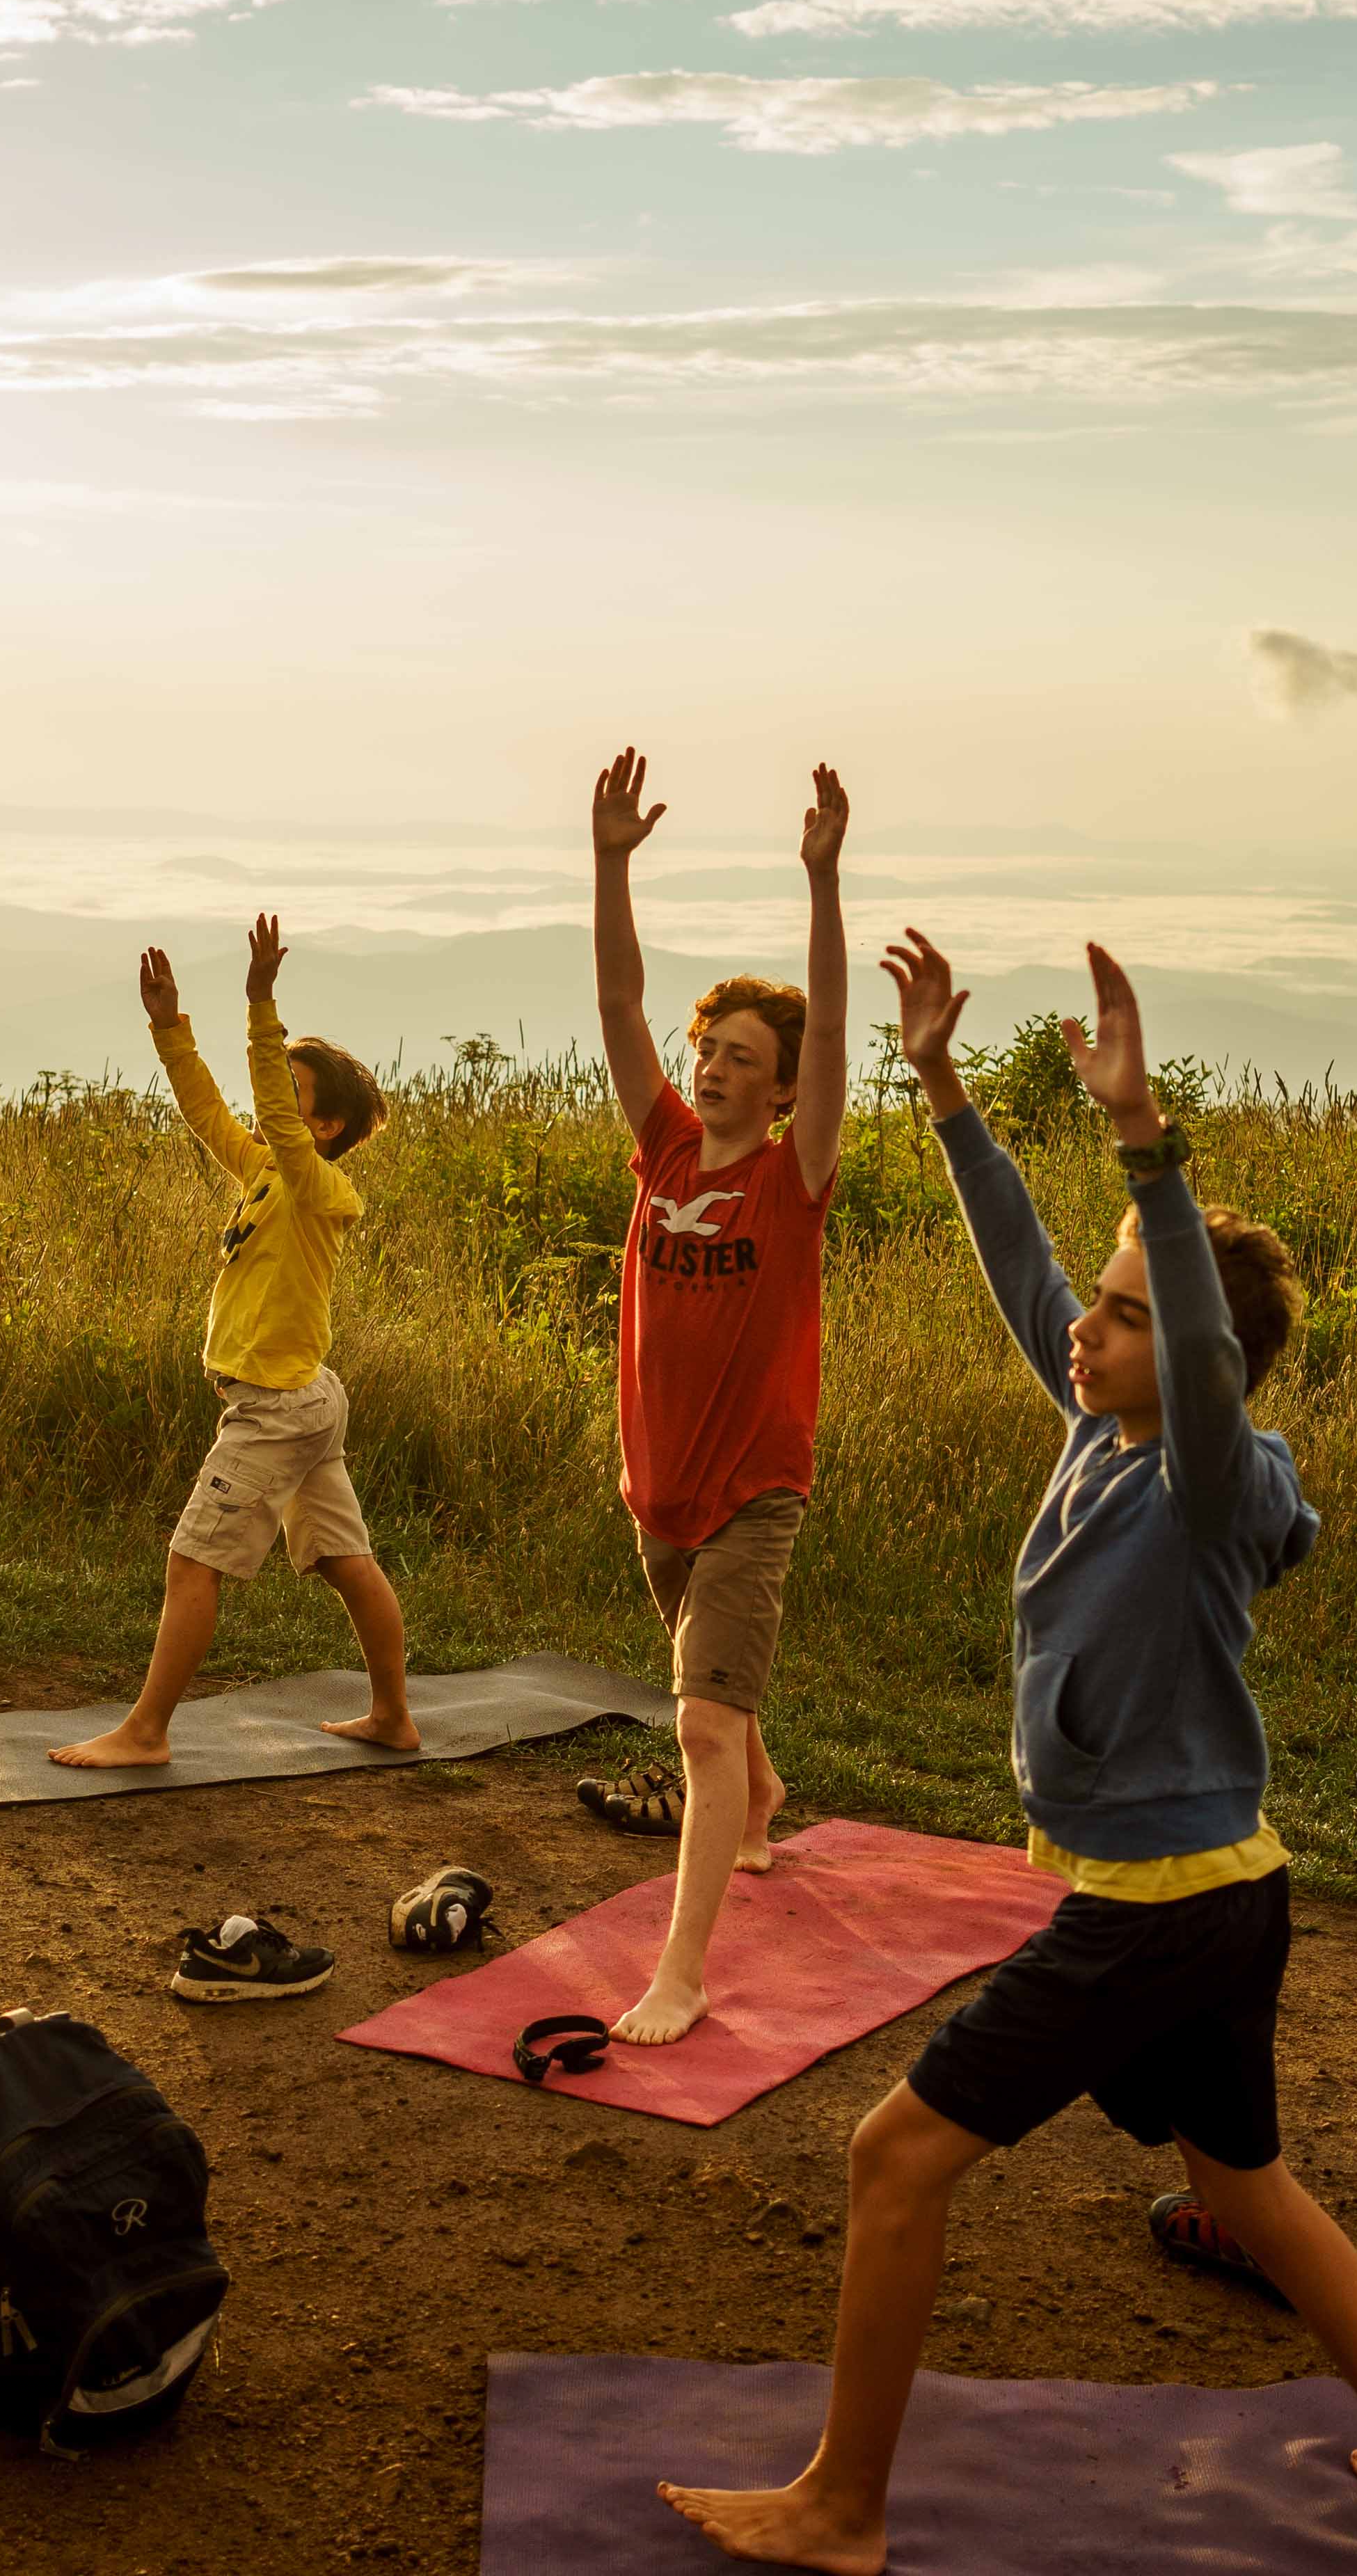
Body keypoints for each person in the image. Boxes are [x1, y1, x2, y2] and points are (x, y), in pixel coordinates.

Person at [657, 932, 1357, 2572]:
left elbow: (1184, 1335)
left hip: (1160, 1910)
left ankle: (843, 2504)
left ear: (1193, 1360)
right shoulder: (1099, 1420)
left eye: (1120, 1315)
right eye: (1098, 1305)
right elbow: (1021, 1270)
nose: (1085, 1327)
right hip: (1219, 1894)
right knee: (1252, 2193)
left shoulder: (1205, 1477)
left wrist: (1146, 1145)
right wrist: (942, 1088)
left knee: (894, 2154)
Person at [587, 749, 849, 2044]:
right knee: (719, 1707)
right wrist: (612, 863)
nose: (714, 1066)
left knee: (696, 1719)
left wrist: (824, 882)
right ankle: (761, 1794)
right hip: (661, 1486)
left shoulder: (793, 1175)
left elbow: (836, 1031)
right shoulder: (665, 1147)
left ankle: (681, 1972)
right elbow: (623, 999)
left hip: (755, 1485)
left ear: (788, 1085)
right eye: (712, 1049)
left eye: (742, 1056)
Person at [52, 914, 408, 1771]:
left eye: (291, 1093)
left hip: (276, 1410)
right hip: (305, 1397)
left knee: (191, 1562)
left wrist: (262, 1006)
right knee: (343, 1557)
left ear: (323, 1128)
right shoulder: (266, 1174)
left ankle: (146, 1731)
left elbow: (274, 1125)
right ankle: (394, 1716)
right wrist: (170, 1027)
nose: (273, 1103)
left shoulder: (321, 1186)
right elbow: (210, 1110)